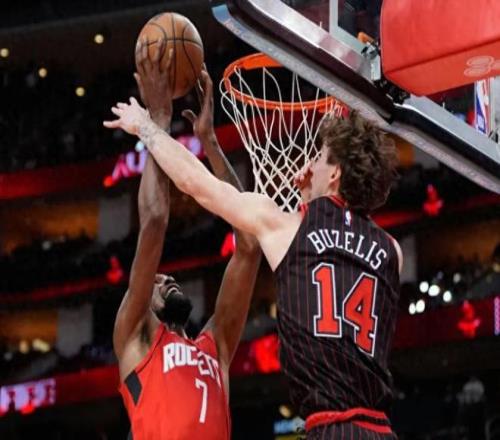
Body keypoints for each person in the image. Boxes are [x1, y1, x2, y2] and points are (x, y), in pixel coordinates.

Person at [105, 63, 402, 439]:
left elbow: (203, 194)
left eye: (319, 157)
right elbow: (337, 251)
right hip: (378, 428)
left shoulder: (287, 230)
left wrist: (148, 126)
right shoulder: (391, 250)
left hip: (330, 426)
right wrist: (209, 142)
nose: (309, 163)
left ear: (335, 174)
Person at [112, 39, 261, 440]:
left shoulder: (217, 347)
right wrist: (158, 120)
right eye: (156, 280)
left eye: (164, 277)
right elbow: (155, 220)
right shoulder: (136, 337)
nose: (166, 278)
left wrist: (209, 141)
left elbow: (248, 244)